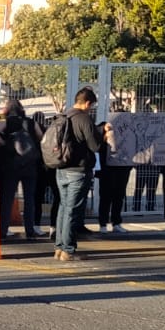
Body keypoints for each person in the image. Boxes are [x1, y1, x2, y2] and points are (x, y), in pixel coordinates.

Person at [49, 88, 104, 262]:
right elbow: (95, 146)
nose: (91, 109)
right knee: (72, 210)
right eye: (91, 106)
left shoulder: (63, 117)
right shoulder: (84, 118)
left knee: (63, 208)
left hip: (61, 168)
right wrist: (103, 132)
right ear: (87, 103)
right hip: (78, 171)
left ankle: (59, 247)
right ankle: (68, 249)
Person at [0, 100, 42, 241]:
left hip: (10, 165)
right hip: (30, 165)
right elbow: (41, 138)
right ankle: (30, 231)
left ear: (7, 109)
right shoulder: (31, 122)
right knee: (29, 199)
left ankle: (3, 231)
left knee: (7, 199)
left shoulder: (5, 121)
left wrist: (6, 144)